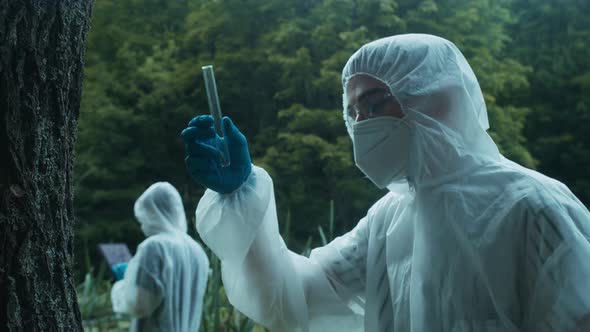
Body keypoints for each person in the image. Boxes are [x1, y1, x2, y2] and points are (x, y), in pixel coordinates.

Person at [180, 34, 590, 331]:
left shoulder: (533, 205)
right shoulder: (391, 217)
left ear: (441, 99)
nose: (362, 124)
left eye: (375, 103)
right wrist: (241, 195)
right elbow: (300, 297)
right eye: (354, 111)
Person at [110, 182, 210, 332]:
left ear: (152, 212)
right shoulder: (197, 250)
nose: (142, 224)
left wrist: (124, 283)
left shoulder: (153, 247)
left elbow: (140, 306)